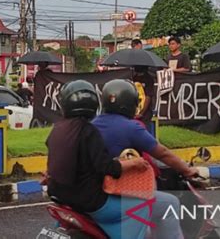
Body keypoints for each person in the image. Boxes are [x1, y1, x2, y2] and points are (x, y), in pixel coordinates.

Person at [92, 79, 199, 239]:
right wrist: (187, 170)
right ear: (128, 104)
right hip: (118, 192)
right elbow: (162, 153)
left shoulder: (92, 125)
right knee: (170, 203)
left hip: (95, 191)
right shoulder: (131, 127)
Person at [46, 80, 151, 239]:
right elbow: (107, 167)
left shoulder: (58, 129)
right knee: (142, 205)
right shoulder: (88, 131)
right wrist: (133, 162)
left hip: (59, 195)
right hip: (89, 200)